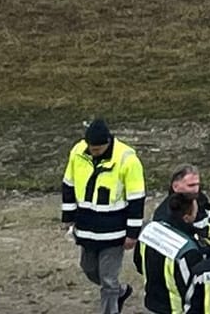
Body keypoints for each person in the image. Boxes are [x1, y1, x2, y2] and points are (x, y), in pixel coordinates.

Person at [62, 117, 146, 314]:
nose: (93, 151)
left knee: (108, 280)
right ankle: (120, 291)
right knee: (89, 269)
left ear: (107, 143)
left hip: (113, 233)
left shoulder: (127, 160)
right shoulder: (77, 152)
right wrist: (68, 217)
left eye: (98, 149)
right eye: (91, 147)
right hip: (86, 229)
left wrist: (132, 233)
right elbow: (68, 184)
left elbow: (136, 198)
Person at [137, 193, 208, 314]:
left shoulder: (150, 230)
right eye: (195, 212)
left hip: (151, 302)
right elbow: (192, 289)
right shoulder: (188, 250)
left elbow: (138, 262)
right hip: (175, 309)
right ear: (187, 218)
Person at [158, 166, 210, 245]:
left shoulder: (201, 199)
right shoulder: (165, 215)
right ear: (175, 186)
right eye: (191, 185)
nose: (196, 189)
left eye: (197, 185)